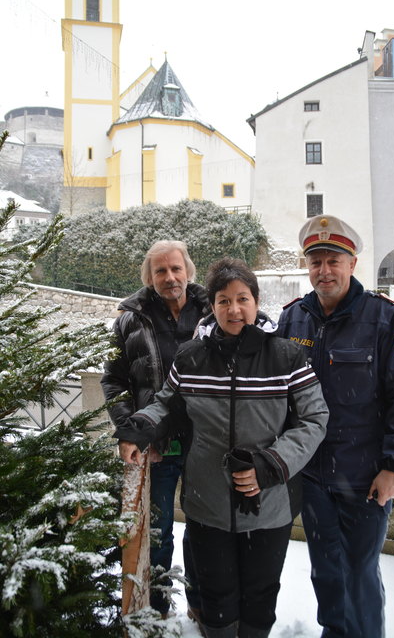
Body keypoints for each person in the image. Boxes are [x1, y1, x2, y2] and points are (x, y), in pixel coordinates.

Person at [118, 257, 329, 638]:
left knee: (261, 593)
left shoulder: (286, 357)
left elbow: (315, 419)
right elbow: (167, 403)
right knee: (216, 594)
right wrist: (137, 430)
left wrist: (270, 464)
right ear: (212, 307)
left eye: (242, 299)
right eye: (224, 301)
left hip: (269, 502)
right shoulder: (192, 357)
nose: (234, 309)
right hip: (207, 501)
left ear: (256, 301)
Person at [277, 215, 394, 638]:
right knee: (325, 569)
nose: (324, 270)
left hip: (365, 476)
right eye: (316, 261)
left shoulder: (384, 319)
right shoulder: (293, 320)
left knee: (360, 572)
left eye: (333, 260)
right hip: (314, 475)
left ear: (352, 263)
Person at [101, 240, 210, 622]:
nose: (170, 277)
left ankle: (202, 605)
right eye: (160, 271)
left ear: (188, 270)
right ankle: (159, 608)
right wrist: (132, 431)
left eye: (176, 269)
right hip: (158, 445)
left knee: (204, 530)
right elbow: (113, 382)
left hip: (206, 444)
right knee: (158, 530)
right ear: (150, 277)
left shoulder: (211, 309)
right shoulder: (130, 318)